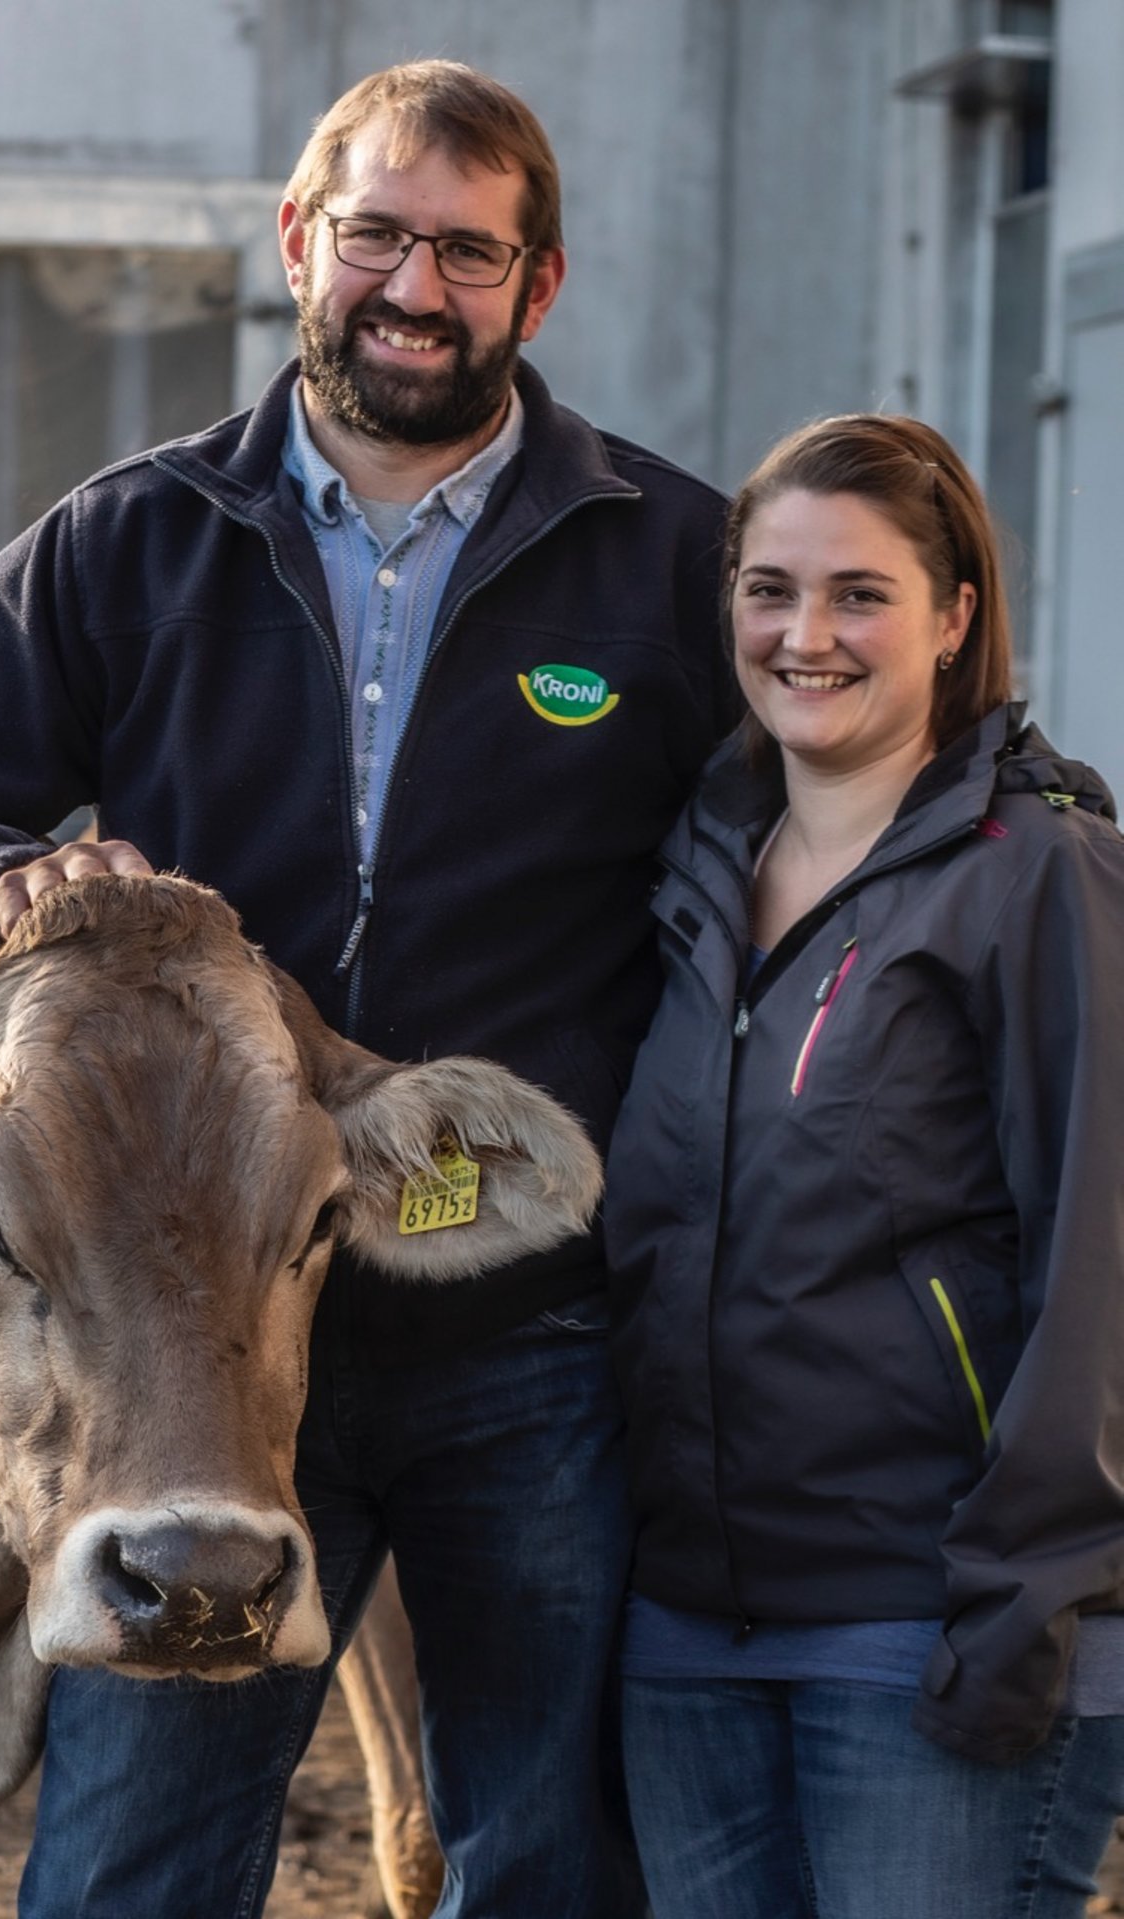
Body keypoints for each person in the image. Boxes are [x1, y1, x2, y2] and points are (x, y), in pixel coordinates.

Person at [0, 59, 736, 1919]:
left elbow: (838, 792)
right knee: (131, 1876)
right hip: (192, 1360)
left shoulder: (671, 563)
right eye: (379, 236)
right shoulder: (135, 538)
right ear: (298, 245)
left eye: (470, 254)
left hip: (525, 1325)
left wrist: (1021, 808)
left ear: (540, 286)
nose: (417, 288)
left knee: (552, 1860)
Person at [604, 412, 1124, 1918]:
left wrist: (1024, 1607)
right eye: (770, 590)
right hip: (689, 1633)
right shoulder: (697, 871)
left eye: (858, 594)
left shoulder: (1040, 874)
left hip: (931, 1632)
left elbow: (1101, 1265)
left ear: (954, 618)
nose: (804, 635)